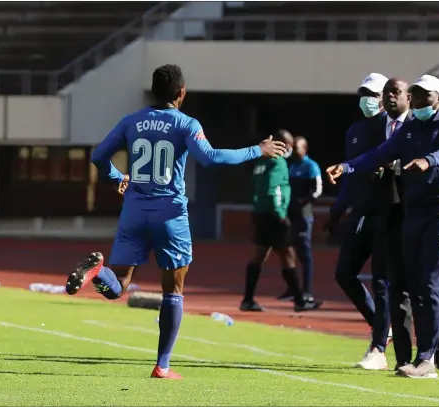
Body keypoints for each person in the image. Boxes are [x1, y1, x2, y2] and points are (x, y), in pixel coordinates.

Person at [64, 64, 287, 380]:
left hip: (134, 211)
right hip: (169, 214)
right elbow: (211, 158)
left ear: (154, 91)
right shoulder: (186, 123)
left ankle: (99, 272)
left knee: (119, 286)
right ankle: (162, 366)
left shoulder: (132, 121)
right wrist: (258, 149)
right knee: (174, 290)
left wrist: (118, 178)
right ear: (182, 93)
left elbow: (99, 156)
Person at [326, 74, 439, 379]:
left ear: (438, 99)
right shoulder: (409, 130)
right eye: (414, 95)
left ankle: (428, 356)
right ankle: (419, 355)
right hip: (413, 212)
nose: (417, 100)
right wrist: (347, 166)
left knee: (430, 284)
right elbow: (377, 155)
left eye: (423, 96)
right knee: (410, 286)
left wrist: (429, 160)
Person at [325, 72, 394, 370]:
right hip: (361, 211)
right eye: (363, 93)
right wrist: (337, 211)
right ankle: (383, 325)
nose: (367, 99)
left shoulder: (392, 127)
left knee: (382, 281)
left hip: (387, 211)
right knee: (344, 273)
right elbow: (350, 177)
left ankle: (378, 348)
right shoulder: (354, 130)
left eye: (373, 94)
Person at [240, 130, 323, 313]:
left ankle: (248, 299)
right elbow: (274, 189)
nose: (290, 149)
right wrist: (280, 214)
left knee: (262, 255)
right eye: (287, 144)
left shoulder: (261, 162)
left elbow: (255, 186)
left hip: (260, 212)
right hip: (274, 215)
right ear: (278, 143)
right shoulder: (278, 162)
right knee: (287, 254)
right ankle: (300, 300)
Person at [277, 136, 323, 302]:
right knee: (287, 251)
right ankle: (292, 288)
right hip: (288, 215)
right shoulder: (289, 165)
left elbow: (318, 191)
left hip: (303, 216)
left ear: (305, 149)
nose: (293, 150)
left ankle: (307, 290)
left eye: (296, 148)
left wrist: (303, 201)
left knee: (304, 254)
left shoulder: (311, 167)